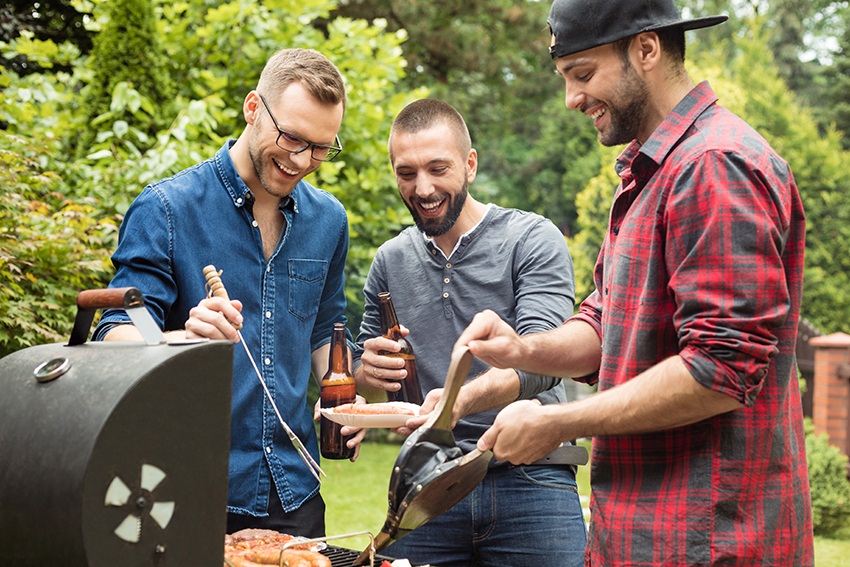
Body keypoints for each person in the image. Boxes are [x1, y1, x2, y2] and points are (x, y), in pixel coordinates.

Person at [454, 0, 814, 565]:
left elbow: (720, 369)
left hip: (708, 540)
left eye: (582, 74)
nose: (572, 98)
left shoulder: (714, 165)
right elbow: (608, 322)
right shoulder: (650, 171)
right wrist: (523, 350)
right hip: (641, 531)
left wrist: (557, 422)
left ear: (646, 49)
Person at [92, 48, 365, 538]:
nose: (302, 160)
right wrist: (177, 337)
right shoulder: (166, 209)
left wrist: (346, 397)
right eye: (291, 137)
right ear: (253, 108)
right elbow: (111, 330)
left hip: (294, 489)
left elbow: (325, 332)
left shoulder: (330, 221)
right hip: (184, 487)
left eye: (321, 148)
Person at [353, 98, 587, 567]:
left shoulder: (532, 239)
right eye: (406, 173)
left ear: (470, 164)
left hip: (531, 477)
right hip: (426, 486)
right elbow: (364, 374)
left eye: (438, 168)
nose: (423, 188)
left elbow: (543, 364)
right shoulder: (389, 261)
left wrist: (457, 401)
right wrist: (366, 374)